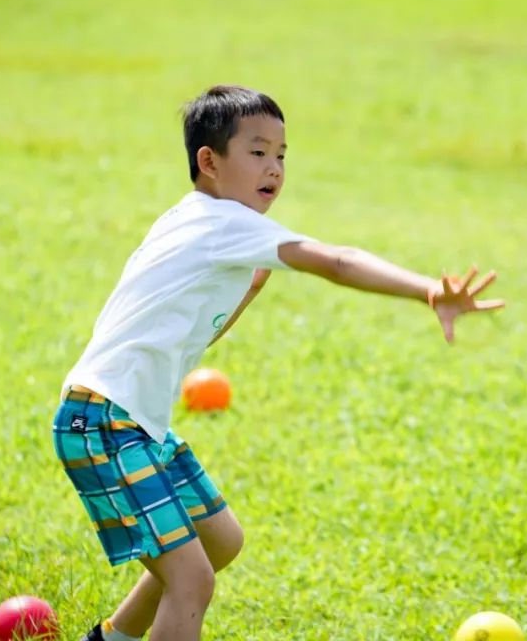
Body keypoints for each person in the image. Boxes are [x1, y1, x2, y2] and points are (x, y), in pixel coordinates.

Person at [53, 85, 504, 641]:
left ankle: (108, 639)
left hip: (129, 421)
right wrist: (427, 290)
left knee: (220, 541)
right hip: (104, 422)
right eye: (259, 152)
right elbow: (336, 261)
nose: (275, 168)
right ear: (210, 162)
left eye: (282, 155)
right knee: (190, 582)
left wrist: (246, 290)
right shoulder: (225, 225)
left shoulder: (191, 219)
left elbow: (189, 334)